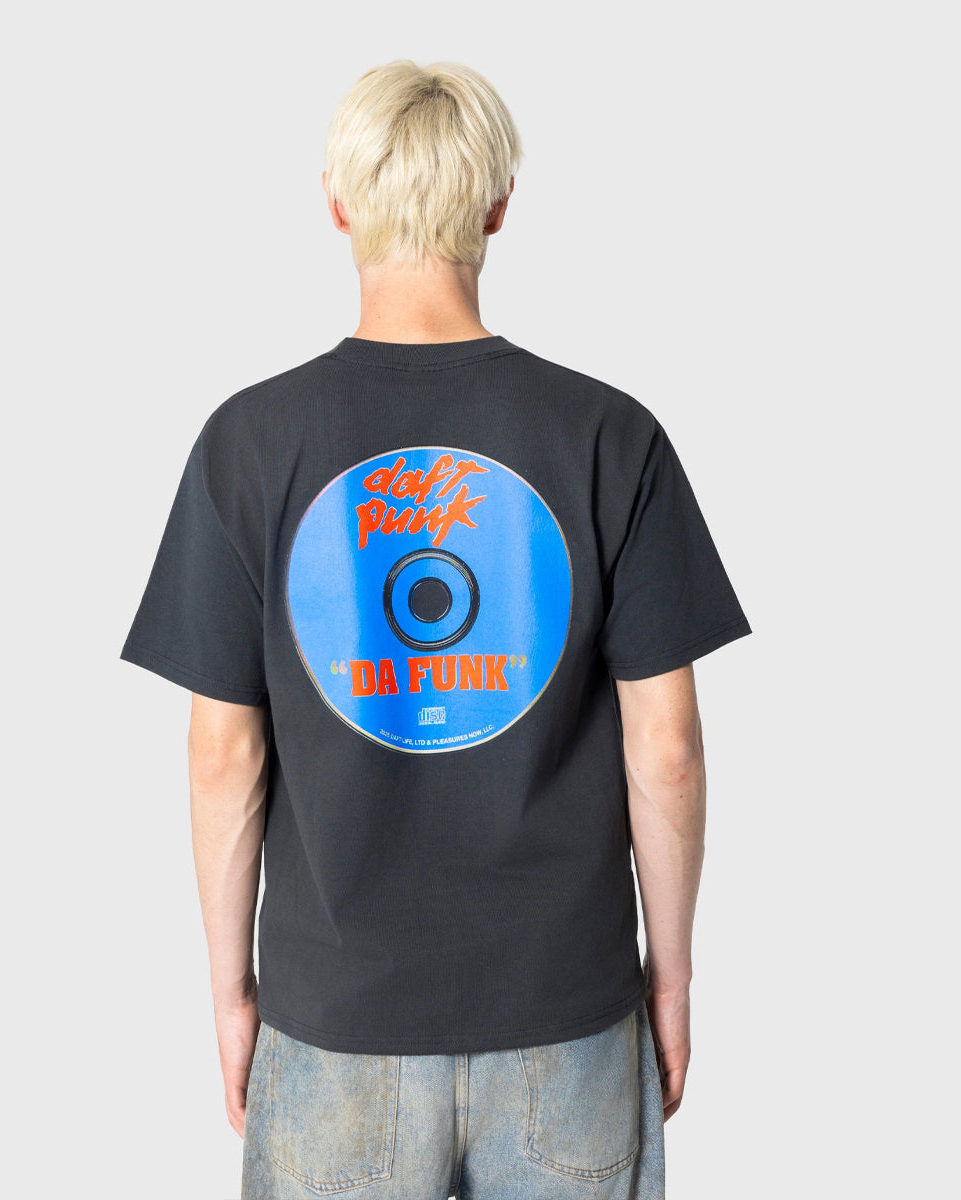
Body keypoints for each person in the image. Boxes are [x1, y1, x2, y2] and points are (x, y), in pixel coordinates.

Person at [120, 59, 750, 1200]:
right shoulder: (612, 437)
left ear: (337, 204)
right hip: (567, 1012)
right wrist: (672, 976)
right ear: (499, 205)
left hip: (335, 1019)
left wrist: (231, 992)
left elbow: (222, 756)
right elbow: (668, 748)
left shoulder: (249, 443)